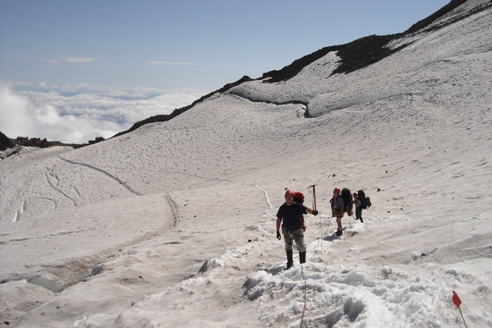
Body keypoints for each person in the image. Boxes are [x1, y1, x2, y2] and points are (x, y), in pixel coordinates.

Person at [276, 189, 318, 269]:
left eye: (290, 197)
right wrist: (277, 231)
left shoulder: (297, 206)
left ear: (293, 197)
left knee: (301, 246)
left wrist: (312, 212)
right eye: (287, 197)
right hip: (287, 230)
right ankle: (290, 263)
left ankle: (303, 263)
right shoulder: (282, 208)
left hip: (297, 229)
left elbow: (306, 209)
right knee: (288, 246)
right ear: (285, 197)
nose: (288, 198)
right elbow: (279, 219)